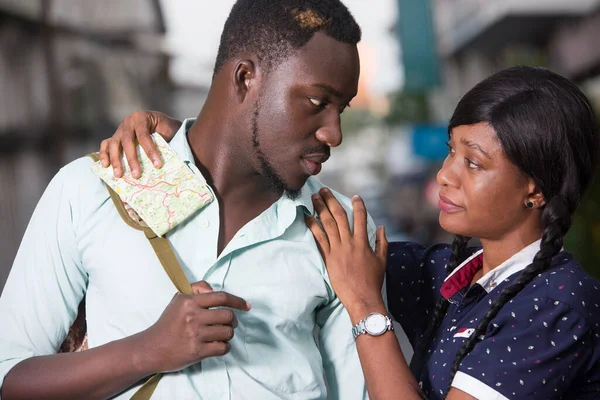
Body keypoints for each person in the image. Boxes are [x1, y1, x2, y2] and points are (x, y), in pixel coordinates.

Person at [109, 66, 600, 399]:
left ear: (535, 188)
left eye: (473, 163)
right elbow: (322, 237)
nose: (446, 175)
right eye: (451, 151)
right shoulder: (453, 275)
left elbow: (358, 284)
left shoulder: (560, 301)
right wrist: (200, 145)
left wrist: (367, 308)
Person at [0, 1, 375, 399]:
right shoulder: (91, 189)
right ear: (246, 78)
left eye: (342, 108)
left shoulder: (339, 232)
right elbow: (9, 379)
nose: (334, 134)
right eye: (318, 103)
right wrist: (146, 351)